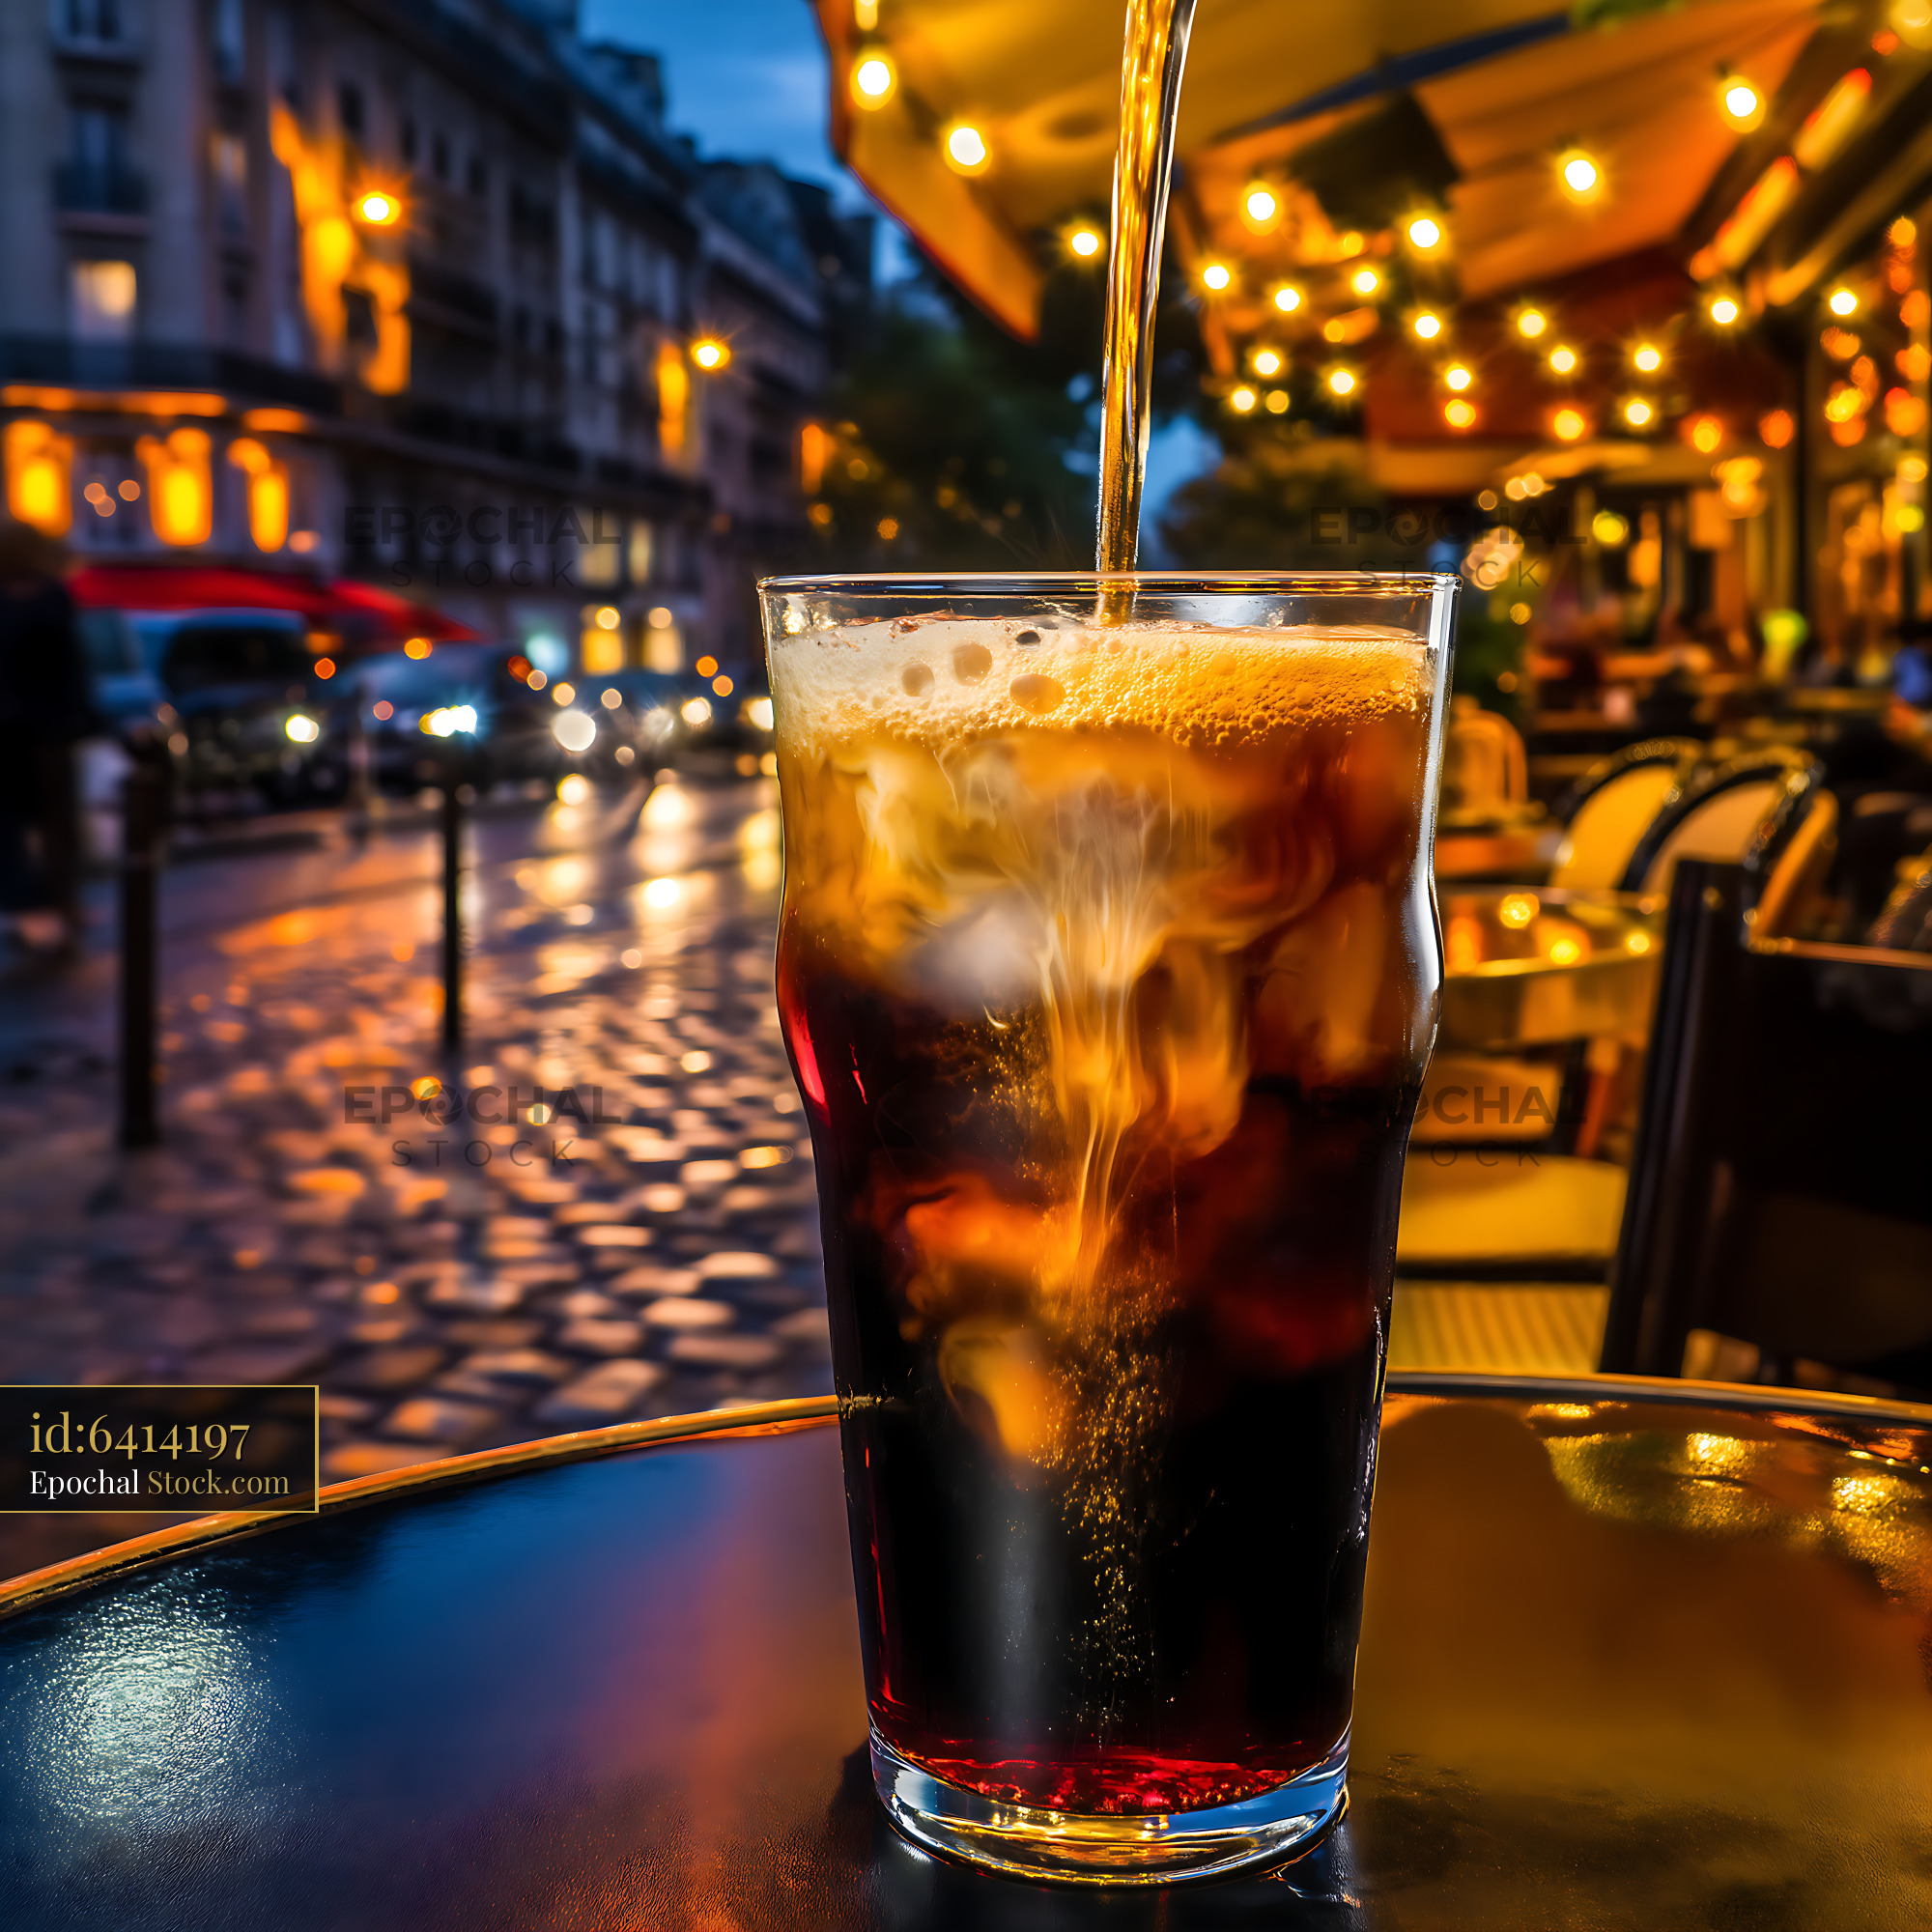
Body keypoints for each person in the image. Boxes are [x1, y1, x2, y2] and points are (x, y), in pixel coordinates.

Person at [0, 516, 98, 960]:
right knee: (45, 825)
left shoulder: (44, 599)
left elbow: (70, 666)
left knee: (39, 825)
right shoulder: (49, 599)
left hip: (35, 732)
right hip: (39, 731)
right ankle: (46, 907)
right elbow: (72, 666)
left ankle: (48, 908)